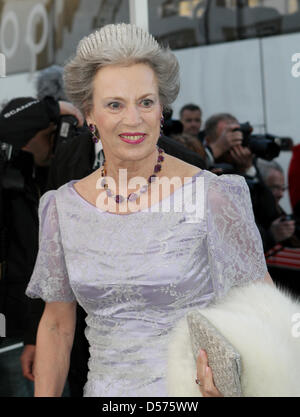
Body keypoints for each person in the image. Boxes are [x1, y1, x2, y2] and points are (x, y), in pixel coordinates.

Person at [25, 23, 273, 398]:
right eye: (115, 104)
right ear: (90, 115)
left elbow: (262, 311)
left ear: (161, 109)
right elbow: (58, 324)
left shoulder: (212, 194)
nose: (134, 118)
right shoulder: (62, 208)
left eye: (146, 101)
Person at [0, 96, 83, 396]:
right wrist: (55, 108)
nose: (55, 143)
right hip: (15, 331)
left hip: (41, 329)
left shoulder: (54, 179)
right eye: (49, 134)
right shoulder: (8, 176)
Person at [255, 159, 300, 296]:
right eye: (274, 188)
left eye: (283, 188)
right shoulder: (251, 218)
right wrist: (271, 236)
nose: (281, 194)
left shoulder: (282, 217)